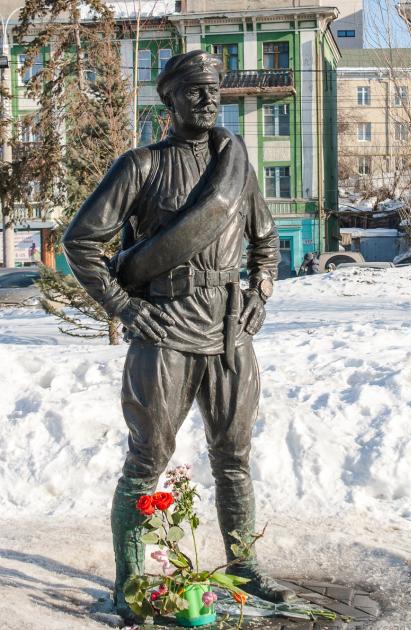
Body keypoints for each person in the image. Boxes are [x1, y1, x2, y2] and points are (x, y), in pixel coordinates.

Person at [62, 50, 293, 623]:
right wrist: (122, 307)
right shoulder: (140, 166)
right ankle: (131, 582)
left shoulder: (235, 165)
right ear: (169, 100)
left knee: (233, 457)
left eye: (213, 90)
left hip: (228, 330)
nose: (207, 100)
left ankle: (243, 567)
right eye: (193, 91)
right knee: (148, 457)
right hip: (164, 326)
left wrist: (261, 292)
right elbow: (81, 242)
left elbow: (266, 243)